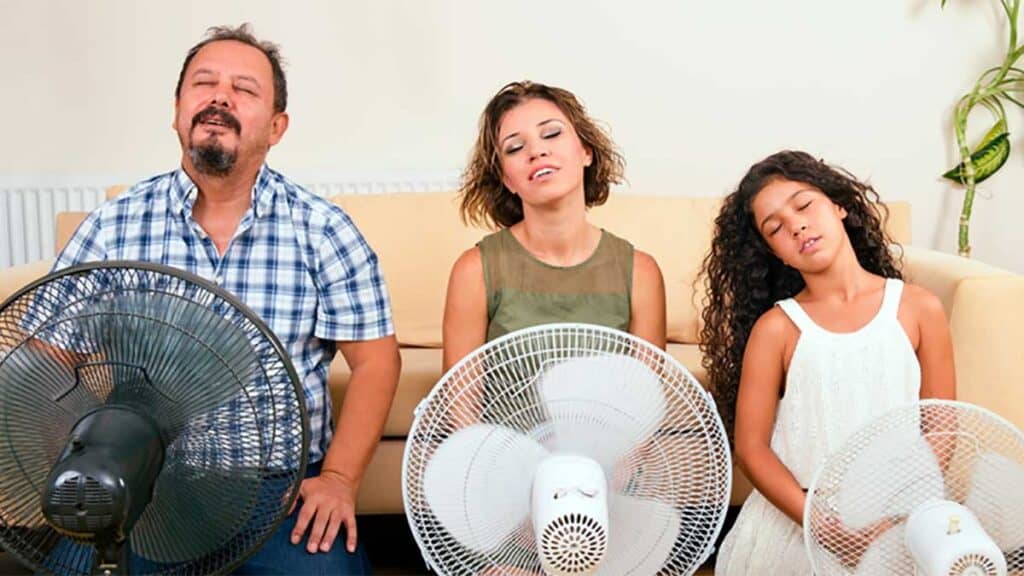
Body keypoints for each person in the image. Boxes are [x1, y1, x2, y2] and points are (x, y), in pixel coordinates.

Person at [50, 24, 400, 574]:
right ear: (177, 110)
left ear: (277, 126)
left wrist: (337, 480)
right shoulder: (113, 227)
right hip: (144, 486)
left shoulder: (323, 230)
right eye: (204, 83)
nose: (219, 97)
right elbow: (48, 355)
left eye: (245, 89)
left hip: (277, 494)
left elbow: (377, 361)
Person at [698, 151, 956, 574]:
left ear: (839, 206)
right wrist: (820, 524)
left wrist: (899, 512)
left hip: (898, 517)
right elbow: (751, 447)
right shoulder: (776, 329)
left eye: (804, 205)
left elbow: (942, 424)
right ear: (774, 253)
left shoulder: (919, 308)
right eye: (775, 227)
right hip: (800, 523)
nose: (796, 225)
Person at [442, 81, 666, 373]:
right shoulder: (474, 271)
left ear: (586, 151)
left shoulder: (640, 273)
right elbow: (459, 411)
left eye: (551, 134)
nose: (537, 151)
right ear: (506, 179)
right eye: (515, 148)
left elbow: (646, 402)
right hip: (497, 422)